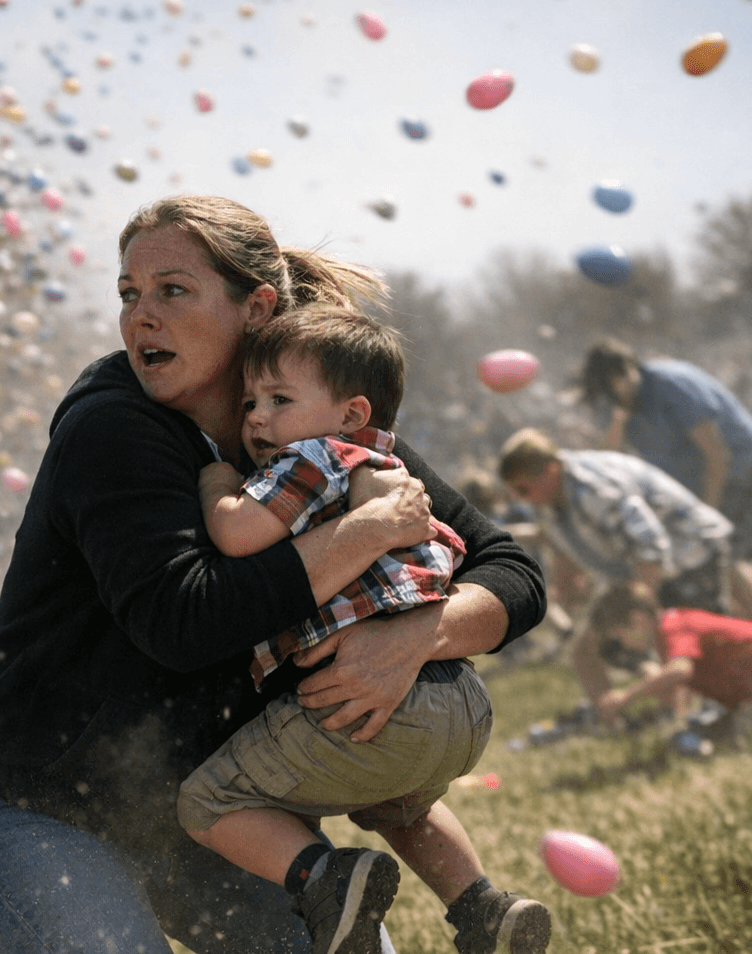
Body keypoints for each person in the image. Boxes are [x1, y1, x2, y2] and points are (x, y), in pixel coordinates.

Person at [0, 196, 546, 954]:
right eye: (129, 294)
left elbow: (511, 571)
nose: (139, 318)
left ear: (256, 308)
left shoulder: (318, 416)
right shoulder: (113, 427)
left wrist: (416, 636)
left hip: (207, 811)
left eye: (172, 290)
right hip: (28, 799)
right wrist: (365, 533)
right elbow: (182, 625)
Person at [185, 307, 547, 954]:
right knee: (396, 804)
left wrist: (217, 483)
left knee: (206, 803)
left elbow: (238, 534)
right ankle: (482, 907)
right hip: (461, 703)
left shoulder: (306, 460)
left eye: (278, 399)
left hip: (374, 706)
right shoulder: (385, 470)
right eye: (248, 403)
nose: (257, 418)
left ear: (351, 413)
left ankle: (325, 877)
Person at [497, 428, 738, 707]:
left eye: (523, 489)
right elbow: (561, 537)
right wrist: (567, 574)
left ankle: (732, 714)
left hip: (690, 555)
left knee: (702, 646)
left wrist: (640, 603)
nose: (518, 497)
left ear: (550, 470)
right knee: (590, 648)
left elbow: (649, 543)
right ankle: (618, 718)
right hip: (638, 567)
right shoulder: (550, 492)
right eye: (513, 490)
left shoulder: (595, 489)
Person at [580, 338, 752, 628]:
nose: (611, 395)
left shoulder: (671, 385)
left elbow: (716, 453)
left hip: (743, 474)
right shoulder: (619, 404)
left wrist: (706, 515)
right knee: (706, 570)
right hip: (699, 488)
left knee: (726, 559)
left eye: (614, 384)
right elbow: (609, 459)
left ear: (629, 371)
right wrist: (617, 421)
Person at [590, 583, 752, 741]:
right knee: (723, 736)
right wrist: (680, 725)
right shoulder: (667, 635)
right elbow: (682, 685)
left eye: (619, 636)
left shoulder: (672, 624)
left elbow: (680, 671)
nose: (623, 645)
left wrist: (626, 695)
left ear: (638, 620)